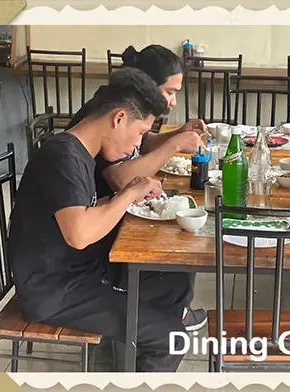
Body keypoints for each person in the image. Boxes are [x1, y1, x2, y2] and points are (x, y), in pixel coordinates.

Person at [7, 67, 191, 371]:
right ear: (119, 118)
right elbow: (79, 234)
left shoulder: (79, 152)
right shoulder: (63, 158)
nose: (136, 146)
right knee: (172, 338)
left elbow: (84, 210)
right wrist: (127, 196)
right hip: (56, 291)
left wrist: (129, 191)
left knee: (174, 282)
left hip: (81, 272)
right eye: (140, 134)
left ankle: (129, 350)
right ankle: (147, 340)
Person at [65, 44, 208, 332]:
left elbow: (140, 141)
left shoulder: (121, 109)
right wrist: (175, 144)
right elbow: (121, 178)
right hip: (99, 224)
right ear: (146, 87)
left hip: (105, 213)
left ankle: (161, 318)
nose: (173, 101)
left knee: (181, 240)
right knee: (174, 252)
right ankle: (158, 322)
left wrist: (177, 134)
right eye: (170, 92)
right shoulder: (102, 119)